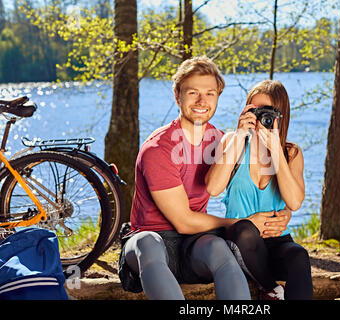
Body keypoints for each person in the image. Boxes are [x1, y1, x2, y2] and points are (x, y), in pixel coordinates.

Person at [119, 56, 286, 300]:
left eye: (209, 93)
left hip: (193, 246)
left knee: (218, 248)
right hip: (148, 245)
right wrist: (246, 221)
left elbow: (259, 187)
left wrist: (281, 217)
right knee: (148, 244)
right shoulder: (159, 148)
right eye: (193, 92)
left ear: (218, 96)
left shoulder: (222, 140)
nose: (201, 101)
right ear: (177, 96)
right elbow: (183, 221)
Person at [205, 80, 313, 300]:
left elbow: (294, 202)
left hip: (277, 242)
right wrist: (238, 135)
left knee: (299, 255)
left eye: (267, 112)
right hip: (240, 243)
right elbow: (213, 188)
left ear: (280, 116)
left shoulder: (291, 153)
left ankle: (272, 290)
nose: (259, 118)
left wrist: (275, 150)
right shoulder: (232, 142)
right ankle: (271, 290)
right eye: (253, 110)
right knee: (245, 231)